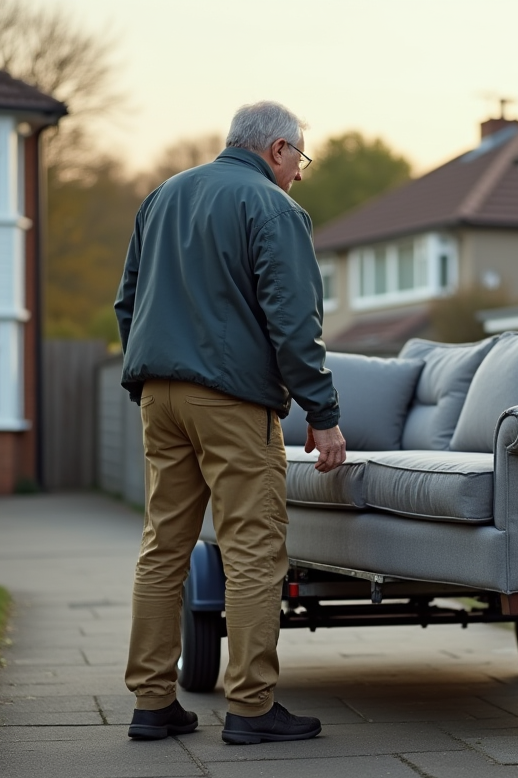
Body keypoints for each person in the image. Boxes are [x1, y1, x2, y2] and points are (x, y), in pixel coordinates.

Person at [114, 101, 346, 745]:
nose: (299, 173)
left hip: (159, 396)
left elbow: (127, 299)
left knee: (164, 545)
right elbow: (295, 324)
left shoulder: (162, 196)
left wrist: (156, 371)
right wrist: (322, 415)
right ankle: (250, 708)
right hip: (231, 401)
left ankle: (153, 703)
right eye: (299, 158)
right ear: (276, 149)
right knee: (252, 548)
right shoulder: (273, 209)